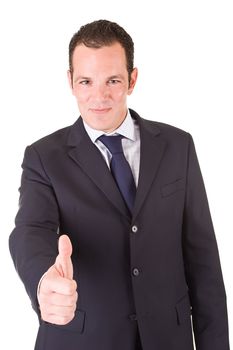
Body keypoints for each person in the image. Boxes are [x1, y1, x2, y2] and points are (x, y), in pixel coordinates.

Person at [9, 19, 230, 350]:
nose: (99, 97)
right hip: (84, 339)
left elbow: (203, 259)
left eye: (112, 80)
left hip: (167, 339)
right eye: (86, 81)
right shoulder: (44, 156)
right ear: (70, 81)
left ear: (132, 79)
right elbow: (30, 229)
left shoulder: (177, 145)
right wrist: (44, 281)